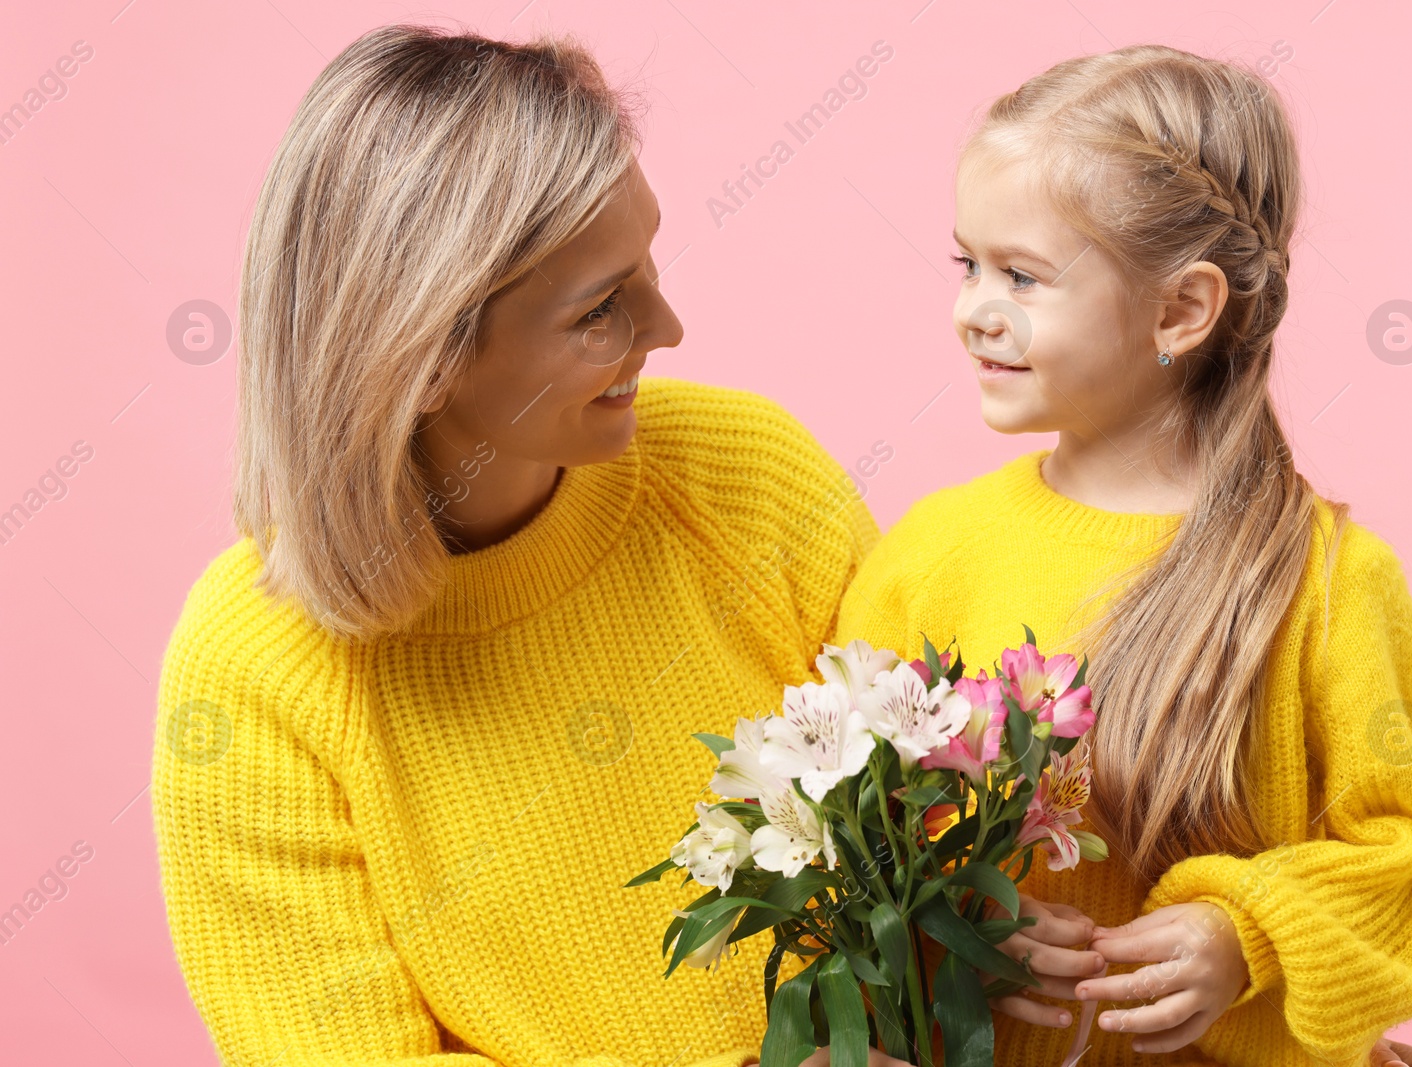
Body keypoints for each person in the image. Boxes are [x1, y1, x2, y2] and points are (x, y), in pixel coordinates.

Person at [151, 26, 878, 1067]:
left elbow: (934, 816)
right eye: (598, 309)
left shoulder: (743, 477)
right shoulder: (253, 670)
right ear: (424, 355)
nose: (665, 326)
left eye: (647, 266)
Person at [832, 44, 1412, 1066]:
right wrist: (954, 911)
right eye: (968, 263)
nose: (973, 308)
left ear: (1180, 309)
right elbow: (851, 833)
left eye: (1022, 275)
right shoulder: (931, 552)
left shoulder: (1329, 580)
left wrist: (1244, 932)